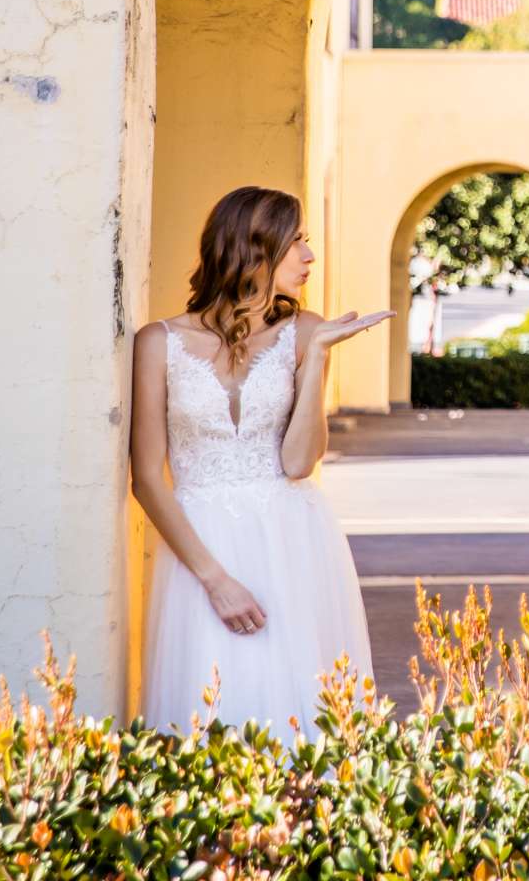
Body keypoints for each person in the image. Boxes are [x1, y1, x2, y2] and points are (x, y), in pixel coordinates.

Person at [130, 185, 392, 734]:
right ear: (252, 249)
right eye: (296, 241)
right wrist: (215, 579)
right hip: (201, 547)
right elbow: (147, 477)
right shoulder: (158, 342)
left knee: (298, 705)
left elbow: (299, 463)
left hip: (293, 540)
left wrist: (317, 358)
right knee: (214, 700)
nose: (309, 256)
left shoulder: (302, 332)